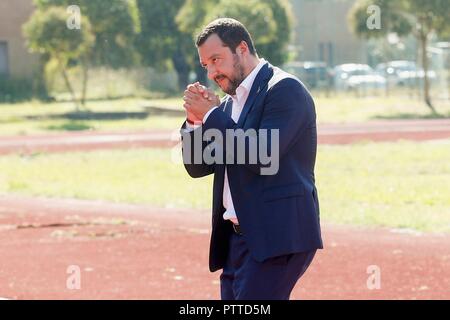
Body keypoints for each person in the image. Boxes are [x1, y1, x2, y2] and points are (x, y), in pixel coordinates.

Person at [180, 18, 323, 300]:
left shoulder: (284, 90)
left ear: (242, 48)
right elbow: (198, 166)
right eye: (206, 64)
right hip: (237, 239)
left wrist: (211, 115)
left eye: (216, 59)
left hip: (277, 236)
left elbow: (262, 155)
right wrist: (195, 122)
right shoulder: (229, 104)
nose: (211, 72)